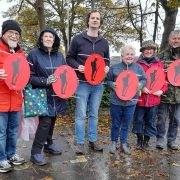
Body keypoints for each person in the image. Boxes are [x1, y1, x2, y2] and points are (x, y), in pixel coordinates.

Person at [66, 10, 110, 155]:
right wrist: (77, 66)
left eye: (98, 18)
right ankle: (79, 143)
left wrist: (107, 68)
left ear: (100, 22)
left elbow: (107, 61)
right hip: (82, 83)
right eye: (93, 18)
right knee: (80, 115)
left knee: (94, 114)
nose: (95, 20)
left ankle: (93, 140)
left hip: (98, 86)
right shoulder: (77, 39)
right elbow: (69, 58)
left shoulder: (104, 43)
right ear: (88, 21)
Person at [27, 27, 67, 165]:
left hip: (57, 95)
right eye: (46, 36)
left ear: (54, 39)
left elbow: (65, 73)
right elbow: (29, 77)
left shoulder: (60, 56)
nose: (49, 39)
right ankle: (36, 152)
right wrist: (45, 81)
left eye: (51, 37)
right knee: (45, 123)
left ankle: (49, 144)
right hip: (41, 95)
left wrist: (67, 88)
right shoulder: (33, 54)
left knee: (53, 120)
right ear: (42, 39)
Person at [106, 45, 147, 155]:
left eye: (131, 54)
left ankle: (123, 143)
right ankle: (114, 143)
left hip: (131, 101)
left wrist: (141, 84)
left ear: (134, 56)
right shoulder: (114, 68)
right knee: (115, 123)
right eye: (127, 54)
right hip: (116, 101)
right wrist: (112, 84)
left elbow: (144, 79)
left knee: (127, 123)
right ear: (122, 55)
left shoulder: (138, 68)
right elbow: (108, 80)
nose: (129, 56)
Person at [132, 40, 167, 151]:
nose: (148, 51)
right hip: (140, 99)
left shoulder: (160, 65)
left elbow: (164, 81)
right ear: (142, 51)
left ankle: (146, 141)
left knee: (150, 120)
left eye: (151, 49)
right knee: (138, 119)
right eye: (146, 49)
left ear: (154, 51)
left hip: (154, 99)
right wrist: (140, 87)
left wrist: (162, 91)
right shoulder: (136, 65)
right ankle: (139, 139)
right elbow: (133, 79)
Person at [0, 20, 25, 173]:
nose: (14, 36)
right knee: (1, 132)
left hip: (15, 99)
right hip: (1, 100)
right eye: (11, 32)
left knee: (13, 130)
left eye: (17, 33)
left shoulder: (20, 53)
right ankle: (1, 158)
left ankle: (11, 154)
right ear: (4, 33)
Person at [156, 30, 180, 150]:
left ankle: (172, 140)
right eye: (174, 38)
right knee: (161, 118)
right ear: (169, 40)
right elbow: (155, 73)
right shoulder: (162, 55)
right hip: (164, 93)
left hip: (178, 95)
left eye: (178, 38)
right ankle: (160, 138)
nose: (176, 41)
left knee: (176, 119)